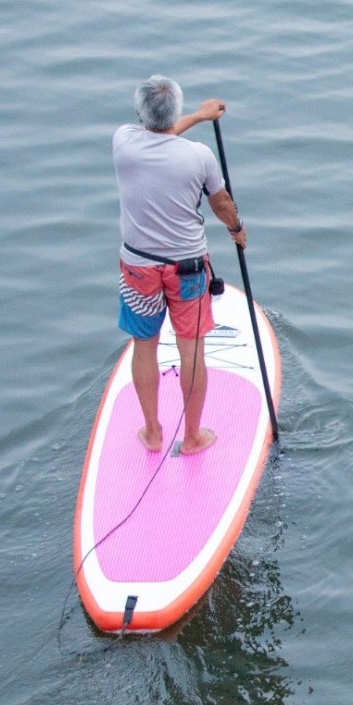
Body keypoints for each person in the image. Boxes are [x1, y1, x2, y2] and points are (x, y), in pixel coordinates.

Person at [113, 76, 246, 455]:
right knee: (191, 351)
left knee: (144, 345)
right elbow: (221, 204)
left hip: (139, 269)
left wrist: (199, 116)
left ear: (139, 114)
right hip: (187, 270)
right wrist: (236, 229)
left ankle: (153, 433)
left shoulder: (123, 142)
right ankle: (192, 437)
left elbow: (161, 130)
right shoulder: (199, 156)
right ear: (175, 113)